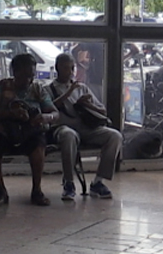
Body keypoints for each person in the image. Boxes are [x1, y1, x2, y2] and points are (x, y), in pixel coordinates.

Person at [0, 53, 59, 207]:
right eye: (25, 75)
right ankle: (1, 190)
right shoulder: (2, 86)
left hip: (30, 131)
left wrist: (44, 117)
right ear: (15, 73)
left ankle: (37, 190)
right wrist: (10, 114)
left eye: (31, 75)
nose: (29, 80)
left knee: (38, 145)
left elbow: (55, 113)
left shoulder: (37, 89)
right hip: (5, 130)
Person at [46, 53, 122, 200]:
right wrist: (69, 92)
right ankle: (68, 182)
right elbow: (50, 107)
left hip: (87, 127)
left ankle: (98, 181)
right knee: (69, 136)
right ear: (58, 68)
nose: (70, 72)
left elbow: (102, 111)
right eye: (66, 68)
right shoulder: (49, 89)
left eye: (72, 68)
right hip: (63, 127)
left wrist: (87, 104)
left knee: (114, 136)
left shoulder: (82, 88)